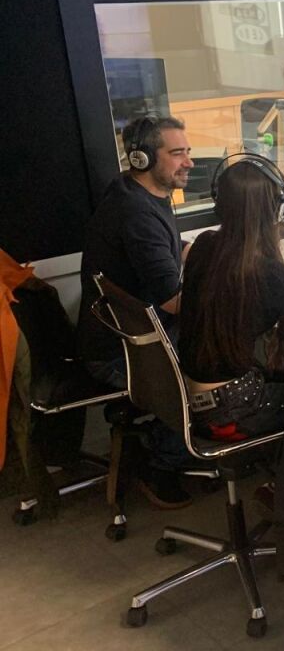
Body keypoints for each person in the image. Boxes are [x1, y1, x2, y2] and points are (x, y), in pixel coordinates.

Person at [77, 115, 197, 508]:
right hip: (122, 354)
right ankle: (161, 463)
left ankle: (161, 445)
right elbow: (172, 300)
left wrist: (210, 251)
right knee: (217, 363)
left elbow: (166, 248)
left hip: (129, 336)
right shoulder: (137, 213)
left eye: (188, 151)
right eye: (177, 153)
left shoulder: (134, 192)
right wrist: (233, 301)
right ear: (141, 158)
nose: (189, 162)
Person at [177, 158, 284, 442]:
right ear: (278, 210)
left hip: (191, 403)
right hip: (234, 412)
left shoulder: (202, 245)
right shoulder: (269, 272)